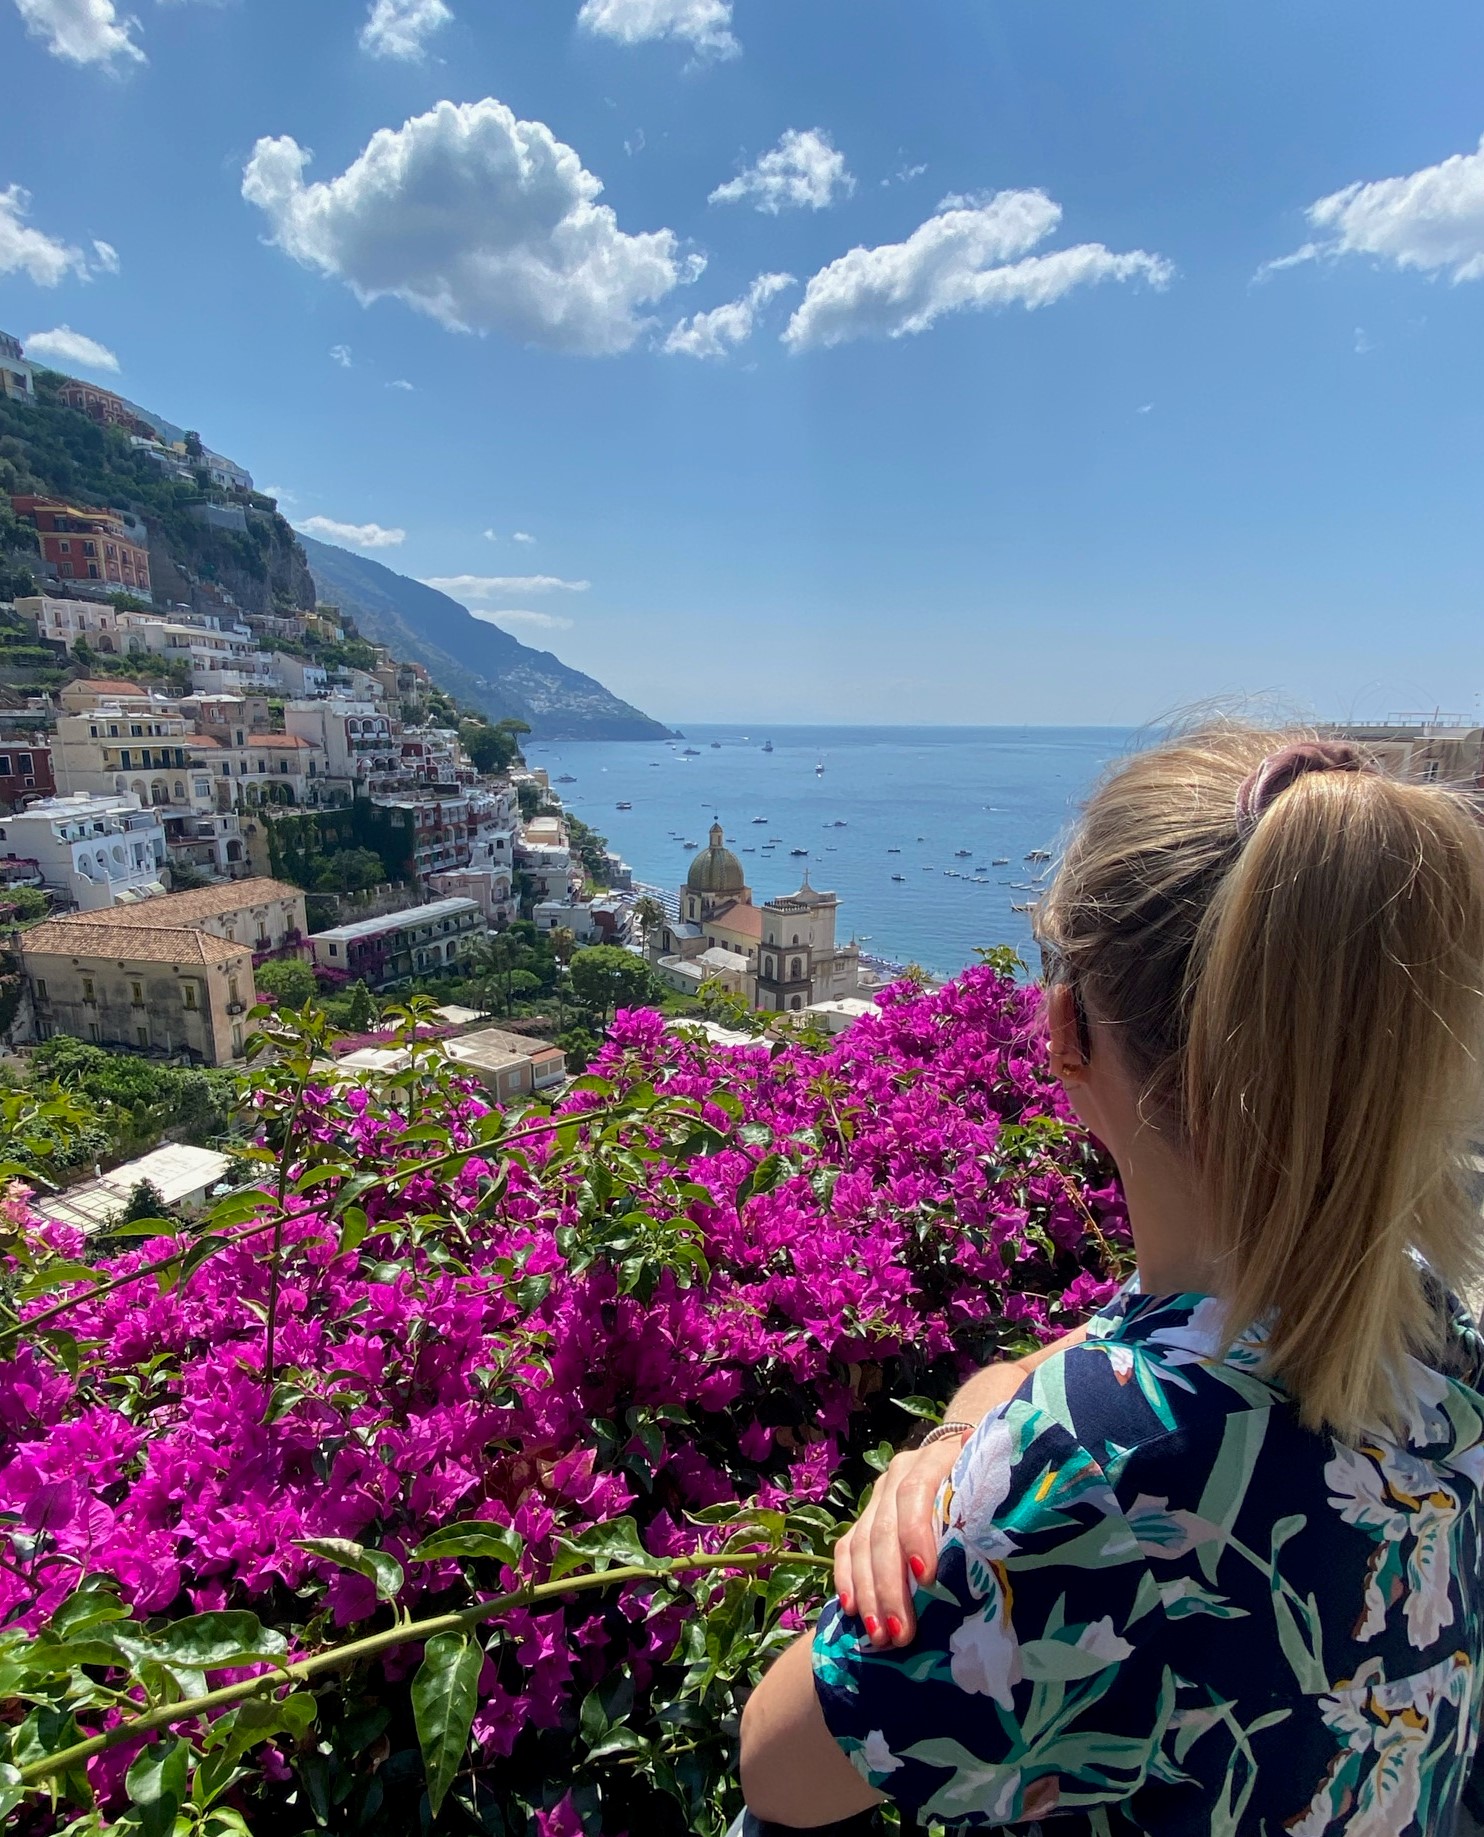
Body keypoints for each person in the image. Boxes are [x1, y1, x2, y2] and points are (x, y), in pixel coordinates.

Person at [739, 725, 1484, 1834]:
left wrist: (964, 1478)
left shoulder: (1090, 1464)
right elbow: (1151, 1347)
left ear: (1063, 1031)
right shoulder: (1429, 1319)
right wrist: (968, 1435)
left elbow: (779, 1767)